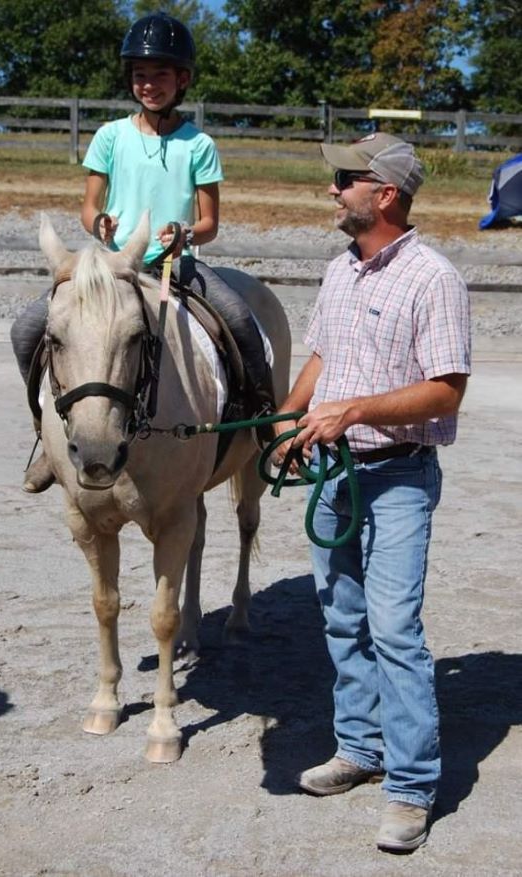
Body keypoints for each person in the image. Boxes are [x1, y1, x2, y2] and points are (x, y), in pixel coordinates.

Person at [274, 133, 471, 852]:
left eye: (344, 179)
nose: (332, 189)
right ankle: (360, 746)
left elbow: (447, 389)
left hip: (397, 476)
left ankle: (412, 785)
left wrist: (352, 411)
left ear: (384, 193)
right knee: (341, 617)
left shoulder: (432, 278)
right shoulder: (340, 271)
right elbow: (324, 355)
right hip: (334, 472)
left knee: (393, 628)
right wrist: (294, 416)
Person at [11, 10, 273, 493]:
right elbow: (89, 207)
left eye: (159, 75)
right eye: (140, 75)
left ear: (183, 80)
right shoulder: (110, 137)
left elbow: (211, 223)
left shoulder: (200, 144)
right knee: (27, 328)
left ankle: (262, 425)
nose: (148, 84)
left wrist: (186, 233)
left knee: (239, 321)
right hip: (112, 268)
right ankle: (46, 440)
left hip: (177, 265)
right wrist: (99, 222)